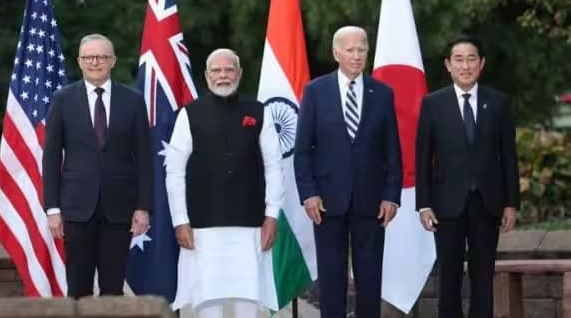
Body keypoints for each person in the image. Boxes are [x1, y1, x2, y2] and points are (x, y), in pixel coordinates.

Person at [164, 48, 283, 318]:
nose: (223, 76)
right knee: (208, 301)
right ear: (206, 76)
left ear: (239, 74)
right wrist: (180, 220)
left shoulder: (258, 112)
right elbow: (174, 171)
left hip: (250, 224)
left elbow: (274, 167)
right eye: (216, 71)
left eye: (229, 70)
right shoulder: (189, 114)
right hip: (202, 226)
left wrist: (272, 216)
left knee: (249, 301)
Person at [294, 26, 402, 318]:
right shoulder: (315, 92)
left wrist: (391, 195)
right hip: (327, 203)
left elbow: (392, 150)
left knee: (369, 279)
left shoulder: (382, 93)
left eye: (362, 49)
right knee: (331, 279)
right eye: (350, 50)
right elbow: (303, 150)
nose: (357, 56)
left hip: (372, 203)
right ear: (336, 53)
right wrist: (309, 194)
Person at [415, 34, 519, 318]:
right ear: (448, 65)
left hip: (487, 204)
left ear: (481, 64)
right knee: (448, 278)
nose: (465, 65)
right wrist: (423, 204)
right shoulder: (433, 104)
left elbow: (508, 156)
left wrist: (511, 203)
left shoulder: (499, 103)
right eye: (458, 60)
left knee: (482, 276)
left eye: (471, 59)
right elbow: (423, 158)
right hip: (445, 205)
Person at [42, 33, 153, 298]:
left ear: (113, 61)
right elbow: (51, 157)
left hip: (120, 210)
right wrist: (53, 208)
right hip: (76, 209)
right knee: (78, 288)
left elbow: (145, 158)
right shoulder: (62, 99)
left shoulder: (133, 101)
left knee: (113, 289)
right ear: (79, 62)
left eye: (102, 57)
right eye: (89, 57)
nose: (95, 62)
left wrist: (143, 207)